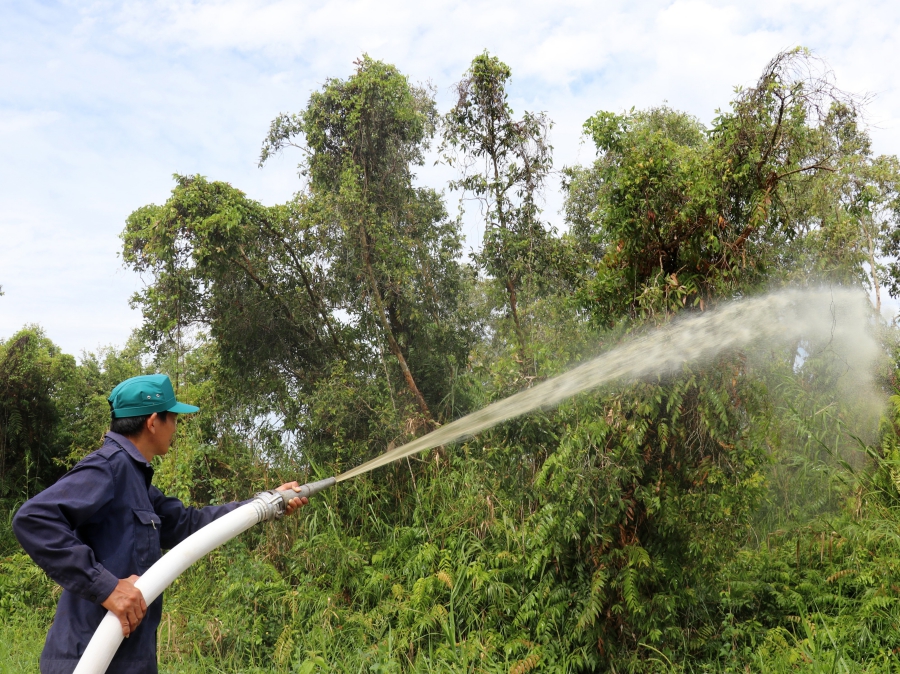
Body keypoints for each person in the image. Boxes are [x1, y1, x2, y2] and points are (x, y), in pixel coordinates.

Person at [12, 374, 308, 674]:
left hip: (128, 658)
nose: (175, 428)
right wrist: (107, 587)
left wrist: (268, 503)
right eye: (174, 419)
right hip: (89, 656)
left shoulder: (136, 481)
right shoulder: (109, 468)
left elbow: (189, 524)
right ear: (153, 422)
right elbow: (33, 519)